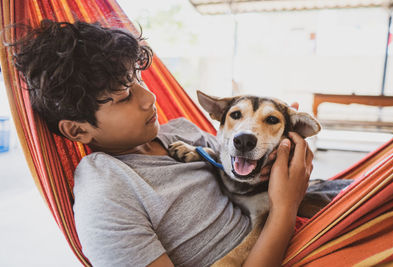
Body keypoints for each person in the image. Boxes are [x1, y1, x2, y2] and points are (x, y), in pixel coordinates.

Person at [11, 20, 313, 267]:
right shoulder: (107, 190)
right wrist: (286, 207)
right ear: (78, 131)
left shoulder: (181, 131)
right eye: (125, 96)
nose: (150, 98)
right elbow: (280, 205)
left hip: (306, 233)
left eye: (139, 80)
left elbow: (247, 174)